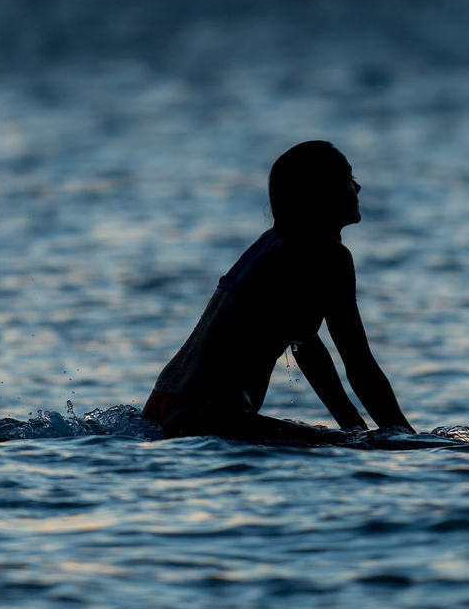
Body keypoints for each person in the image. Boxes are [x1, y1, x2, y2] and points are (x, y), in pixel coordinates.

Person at [144, 141, 414, 443]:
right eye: (347, 178)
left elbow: (305, 344)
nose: (358, 187)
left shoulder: (274, 244)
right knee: (365, 444)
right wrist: (408, 440)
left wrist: (354, 427)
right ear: (320, 194)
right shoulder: (330, 256)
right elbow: (360, 364)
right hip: (209, 412)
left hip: (162, 402)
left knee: (352, 442)